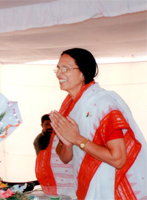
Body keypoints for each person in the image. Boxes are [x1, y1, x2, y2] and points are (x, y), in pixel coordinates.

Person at [48, 48, 147, 199]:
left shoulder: (103, 104)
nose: (58, 73)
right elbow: (65, 158)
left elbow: (118, 159)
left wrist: (77, 139)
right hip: (83, 186)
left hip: (109, 189)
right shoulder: (68, 107)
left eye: (65, 69)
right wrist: (67, 144)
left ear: (83, 73)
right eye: (58, 68)